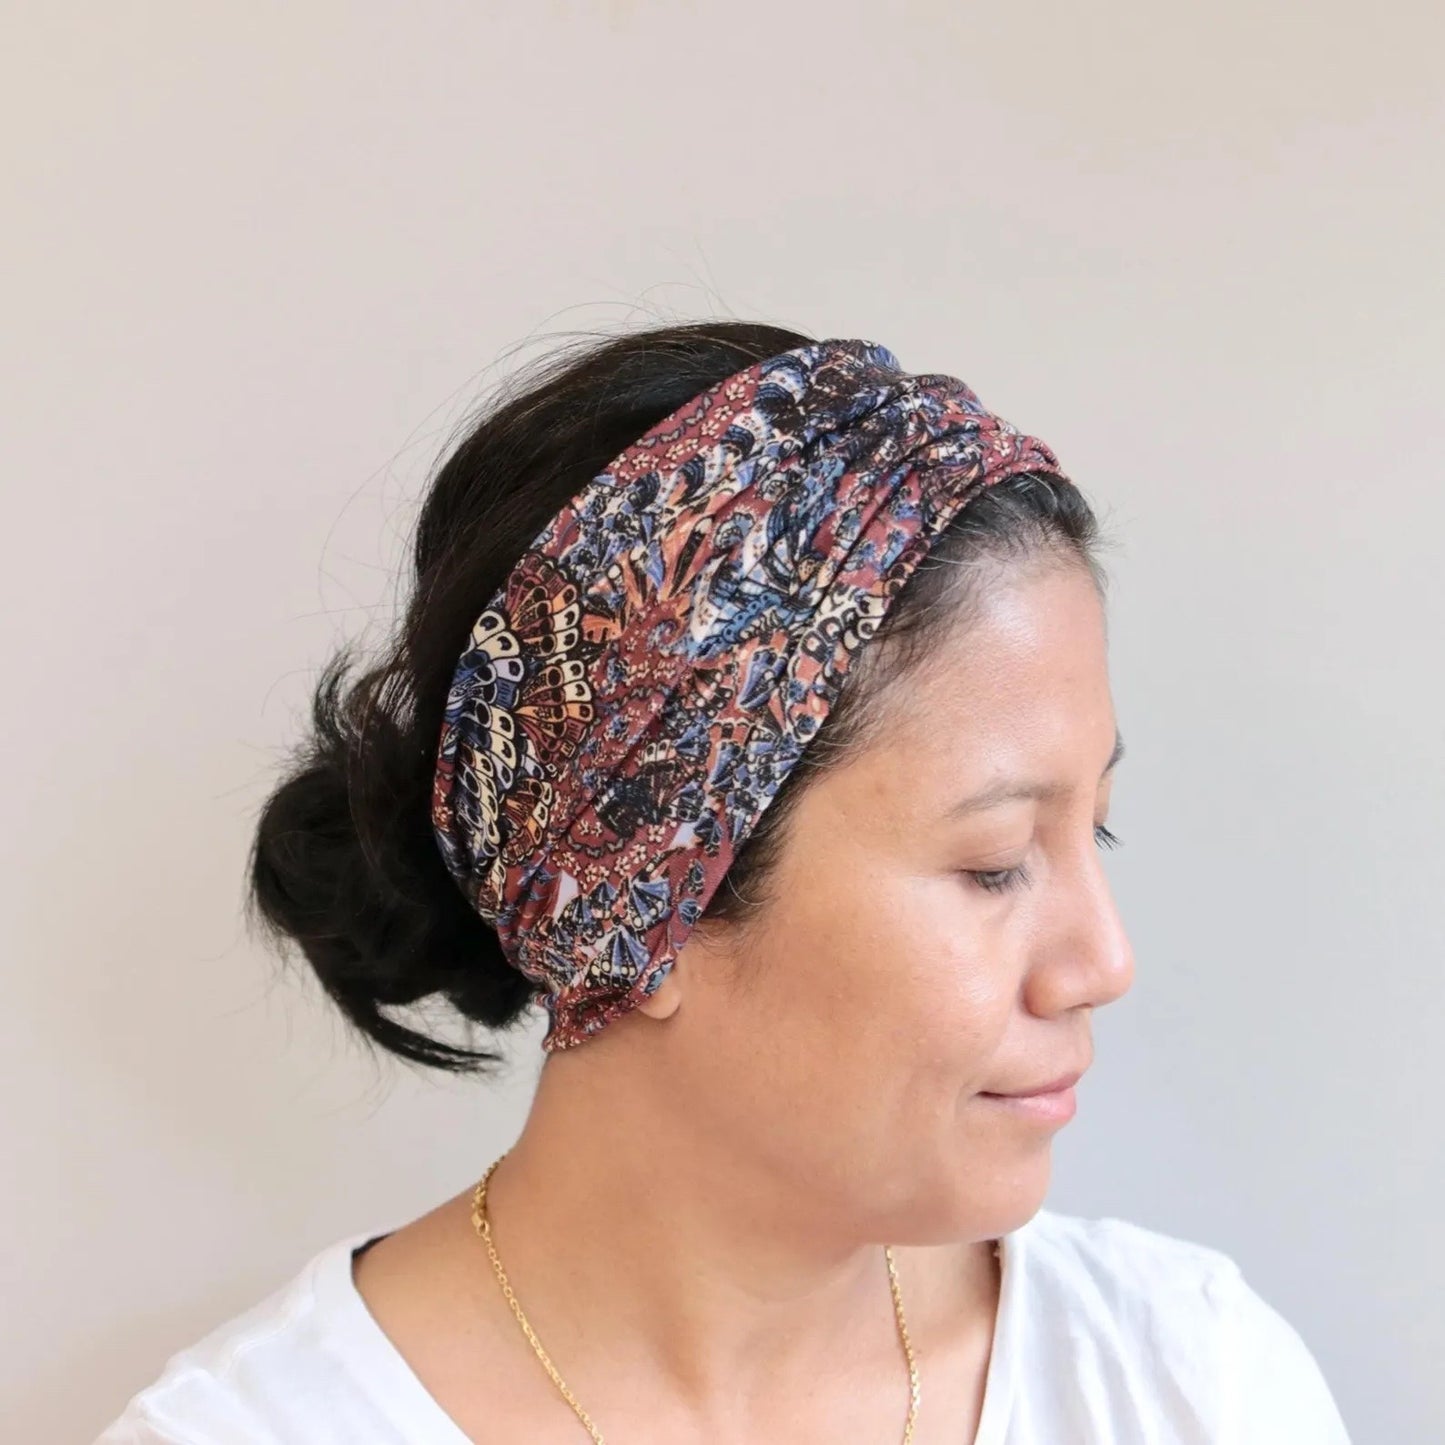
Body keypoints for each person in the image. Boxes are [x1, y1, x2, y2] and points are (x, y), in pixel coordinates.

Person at [95, 322, 1351, 1443]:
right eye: (991, 866)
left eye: (1098, 832)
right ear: (643, 908)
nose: (1103, 961)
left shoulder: (1187, 1380)